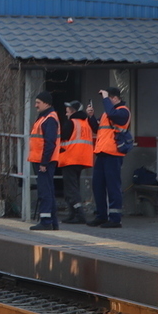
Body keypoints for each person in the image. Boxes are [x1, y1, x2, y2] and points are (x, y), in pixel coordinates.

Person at [87, 86, 130, 228]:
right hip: (102, 153)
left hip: (114, 154)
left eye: (108, 98)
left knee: (113, 187)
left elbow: (112, 115)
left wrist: (105, 98)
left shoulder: (123, 111)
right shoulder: (107, 113)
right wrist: (91, 117)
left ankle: (115, 219)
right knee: (98, 186)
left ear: (115, 98)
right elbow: (97, 128)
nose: (105, 101)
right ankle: (101, 216)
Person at [28, 91, 61, 231]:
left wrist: (44, 162)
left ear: (46, 103)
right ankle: (52, 222)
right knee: (48, 190)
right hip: (41, 160)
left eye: (38, 103)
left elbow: (50, 143)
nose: (35, 105)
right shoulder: (46, 117)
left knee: (44, 191)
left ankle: (46, 221)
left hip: (44, 161)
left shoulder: (49, 119)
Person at [59, 100, 94, 224]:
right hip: (82, 158)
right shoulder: (86, 123)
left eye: (68, 111)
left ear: (73, 111)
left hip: (70, 158)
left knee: (71, 188)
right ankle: (73, 214)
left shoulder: (71, 123)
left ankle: (79, 214)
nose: (66, 114)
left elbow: (62, 137)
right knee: (74, 187)